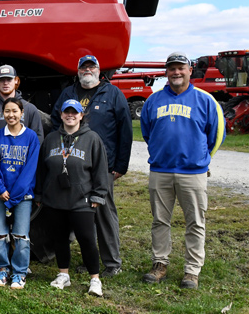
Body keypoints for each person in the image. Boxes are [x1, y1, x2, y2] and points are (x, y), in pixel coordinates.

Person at [140, 52, 225, 290]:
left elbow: (216, 134)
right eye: (171, 69)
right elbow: (148, 133)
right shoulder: (153, 101)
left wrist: (202, 159)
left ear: (189, 71)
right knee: (160, 220)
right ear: (166, 73)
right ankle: (159, 264)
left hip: (193, 172)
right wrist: (161, 152)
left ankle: (192, 271)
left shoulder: (205, 100)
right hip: (161, 171)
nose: (176, 72)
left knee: (195, 222)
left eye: (180, 68)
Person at [50, 55, 131, 277]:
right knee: (83, 215)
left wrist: (121, 165)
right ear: (77, 71)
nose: (87, 70)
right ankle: (89, 260)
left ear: (98, 70)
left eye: (91, 66)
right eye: (83, 67)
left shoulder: (112, 93)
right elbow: (56, 122)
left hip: (102, 166)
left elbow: (125, 130)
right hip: (74, 164)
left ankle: (112, 262)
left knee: (104, 213)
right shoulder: (69, 92)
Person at [36, 99, 108, 297]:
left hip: (81, 199)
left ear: (81, 115)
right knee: (59, 238)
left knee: (86, 238)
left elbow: (101, 169)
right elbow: (42, 169)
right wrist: (40, 193)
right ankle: (63, 274)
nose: (70, 115)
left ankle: (95, 279)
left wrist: (98, 194)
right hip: (54, 199)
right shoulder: (51, 139)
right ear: (60, 115)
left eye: (74, 112)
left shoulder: (92, 138)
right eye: (66, 112)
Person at [0, 64, 44, 274]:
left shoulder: (30, 109)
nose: (6, 82)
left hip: (21, 177)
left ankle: (19, 265)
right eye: (2, 80)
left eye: (9, 79)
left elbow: (38, 139)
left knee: (20, 225)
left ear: (16, 81)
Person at [0, 98, 40, 289]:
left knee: (21, 235)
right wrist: (1, 189)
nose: (11, 115)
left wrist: (15, 195)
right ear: (3, 114)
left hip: (22, 195)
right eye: (7, 111)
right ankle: (3, 269)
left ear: (22, 113)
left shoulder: (31, 137)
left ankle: (19, 272)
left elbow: (30, 169)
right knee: (0, 234)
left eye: (14, 111)